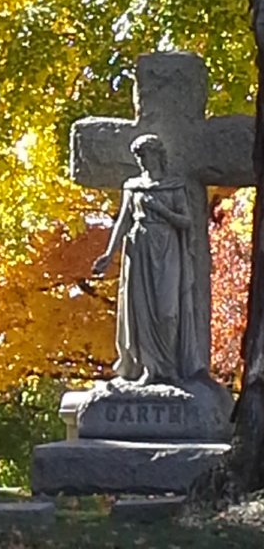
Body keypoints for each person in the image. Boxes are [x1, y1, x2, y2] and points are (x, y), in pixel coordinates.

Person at [92, 133, 203, 384]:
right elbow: (123, 221)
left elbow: (186, 221)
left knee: (168, 312)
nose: (141, 161)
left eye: (145, 155)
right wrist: (109, 254)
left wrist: (162, 211)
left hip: (167, 247)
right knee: (140, 310)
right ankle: (149, 369)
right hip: (139, 247)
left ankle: (170, 367)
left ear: (157, 155)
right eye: (138, 156)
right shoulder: (133, 186)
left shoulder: (174, 186)